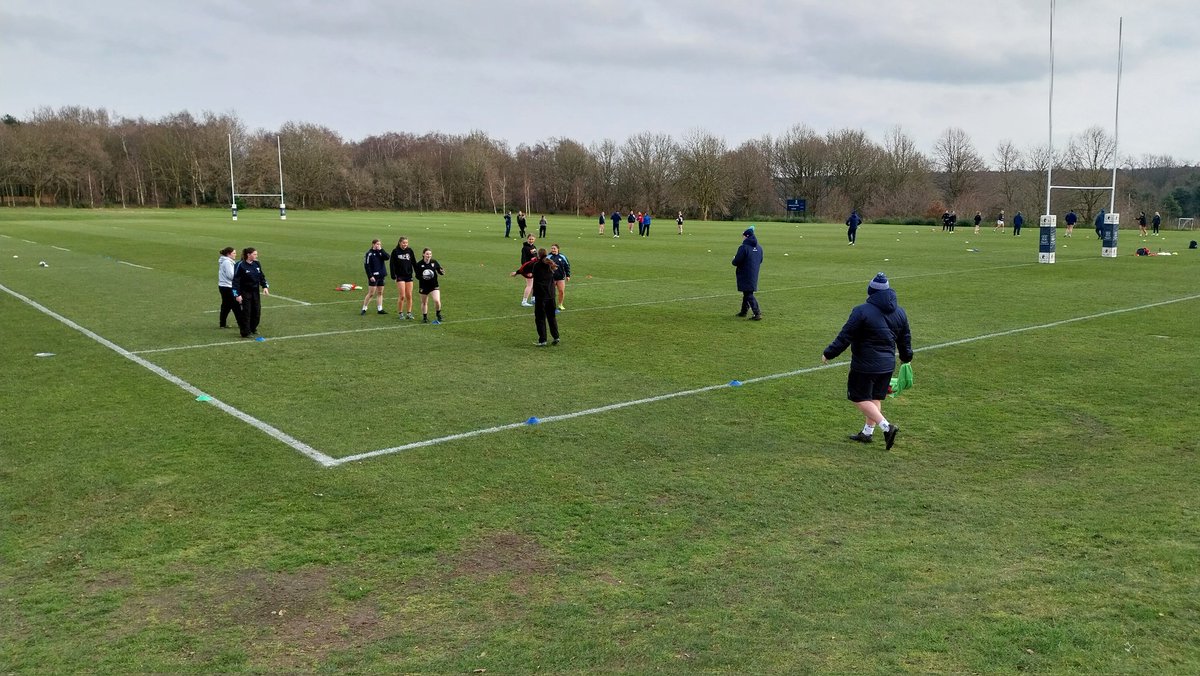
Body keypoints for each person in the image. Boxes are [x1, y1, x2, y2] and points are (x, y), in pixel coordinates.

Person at [821, 272, 913, 450]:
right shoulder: (900, 312)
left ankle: (887, 427)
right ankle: (867, 433)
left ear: (871, 291)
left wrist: (829, 353)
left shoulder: (861, 311)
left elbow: (845, 336)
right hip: (887, 365)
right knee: (875, 397)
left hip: (865, 365)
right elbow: (905, 338)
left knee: (858, 397)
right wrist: (906, 358)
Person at [510, 247, 560, 346]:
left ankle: (543, 340)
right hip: (551, 295)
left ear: (538, 255)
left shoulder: (536, 264)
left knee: (540, 318)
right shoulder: (550, 263)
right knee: (551, 317)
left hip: (541, 295)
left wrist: (517, 273)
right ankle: (556, 337)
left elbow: (525, 267)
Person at [231, 247, 269, 338]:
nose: (256, 256)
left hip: (255, 292)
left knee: (256, 311)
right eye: (255, 254)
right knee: (246, 312)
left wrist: (265, 286)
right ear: (248, 255)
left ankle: (253, 328)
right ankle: (245, 332)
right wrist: (237, 294)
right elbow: (235, 281)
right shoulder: (240, 265)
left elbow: (261, 276)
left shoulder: (257, 263)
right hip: (245, 292)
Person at [732, 226, 763, 320]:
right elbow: (760, 260)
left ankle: (757, 313)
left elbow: (736, 261)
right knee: (747, 292)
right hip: (754, 272)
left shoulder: (743, 248)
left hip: (745, 272)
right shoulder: (759, 247)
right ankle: (744, 311)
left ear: (747, 236)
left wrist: (734, 259)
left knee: (748, 293)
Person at [414, 248, 445, 324]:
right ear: (423, 254)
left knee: (437, 300)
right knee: (424, 302)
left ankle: (438, 314)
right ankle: (425, 317)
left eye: (430, 254)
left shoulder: (434, 262)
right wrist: (424, 277)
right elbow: (417, 276)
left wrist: (442, 272)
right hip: (424, 286)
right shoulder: (419, 264)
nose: (429, 255)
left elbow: (439, 270)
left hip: (434, 285)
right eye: (427, 254)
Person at [360, 239, 390, 315]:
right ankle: (364, 308)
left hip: (381, 275)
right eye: (377, 244)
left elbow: (387, 257)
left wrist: (381, 250)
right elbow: (367, 266)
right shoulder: (369, 254)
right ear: (373, 244)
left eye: (379, 244)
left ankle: (380, 309)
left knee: (380, 292)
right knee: (371, 293)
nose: (378, 245)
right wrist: (370, 276)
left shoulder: (380, 252)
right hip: (373, 277)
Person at [390, 236, 416, 319]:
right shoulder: (395, 251)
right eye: (404, 243)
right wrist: (393, 275)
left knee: (409, 295)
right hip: (400, 276)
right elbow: (392, 264)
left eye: (406, 243)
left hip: (408, 275)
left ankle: (409, 313)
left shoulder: (410, 251)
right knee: (402, 296)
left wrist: (417, 273)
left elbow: (414, 262)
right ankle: (400, 313)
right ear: (400, 242)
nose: (405, 244)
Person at [217, 246, 242, 330]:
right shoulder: (227, 262)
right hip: (228, 287)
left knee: (226, 305)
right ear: (228, 254)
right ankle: (241, 323)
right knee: (235, 305)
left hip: (223, 286)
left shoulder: (225, 261)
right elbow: (231, 276)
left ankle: (222, 324)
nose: (235, 255)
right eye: (234, 253)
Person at [547, 243, 571, 311]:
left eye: (554, 248)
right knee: (551, 292)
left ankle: (560, 304)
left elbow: (567, 266)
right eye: (552, 248)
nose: (553, 250)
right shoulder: (548, 257)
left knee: (561, 291)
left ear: (558, 249)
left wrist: (568, 275)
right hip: (551, 278)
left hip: (560, 278)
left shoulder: (562, 256)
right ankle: (551, 305)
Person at [519, 234, 538, 306]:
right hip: (528, 269)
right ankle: (524, 301)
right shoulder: (525, 248)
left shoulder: (533, 247)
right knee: (529, 285)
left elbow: (536, 257)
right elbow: (523, 260)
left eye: (532, 239)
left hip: (534, 269)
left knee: (534, 285)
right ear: (527, 239)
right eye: (530, 239)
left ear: (534, 239)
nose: (531, 240)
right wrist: (526, 269)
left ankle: (533, 299)